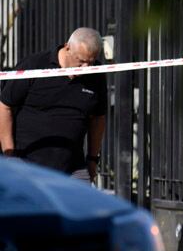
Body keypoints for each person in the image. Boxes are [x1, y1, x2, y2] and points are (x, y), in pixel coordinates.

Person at [0, 28, 107, 182]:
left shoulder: (96, 74)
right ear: (67, 47)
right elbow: (4, 106)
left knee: (81, 205)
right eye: (80, 61)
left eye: (90, 62)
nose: (85, 68)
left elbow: (98, 118)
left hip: (72, 169)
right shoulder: (35, 65)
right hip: (26, 166)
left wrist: (92, 159)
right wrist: (10, 156)